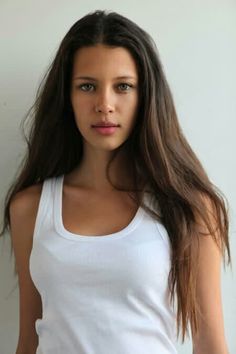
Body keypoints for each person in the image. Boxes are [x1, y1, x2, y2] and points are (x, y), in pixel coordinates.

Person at [0, 9, 231, 354]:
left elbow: (211, 344)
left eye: (123, 86)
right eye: (87, 86)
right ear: (68, 97)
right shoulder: (30, 209)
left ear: (145, 97)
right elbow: (29, 340)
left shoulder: (190, 207)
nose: (104, 105)